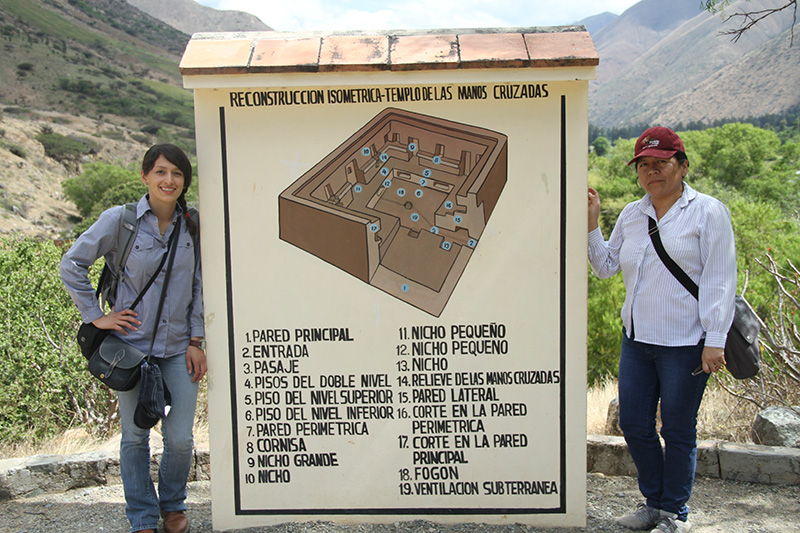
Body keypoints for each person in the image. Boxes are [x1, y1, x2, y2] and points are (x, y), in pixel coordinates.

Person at [587, 127, 736, 533]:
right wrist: (592, 224)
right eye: (644, 165)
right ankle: (654, 503)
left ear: (682, 166)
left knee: (677, 429)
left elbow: (721, 281)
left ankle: (674, 513)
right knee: (634, 424)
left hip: (686, 344)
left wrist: (716, 340)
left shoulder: (708, 212)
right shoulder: (634, 215)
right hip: (637, 341)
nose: (652, 172)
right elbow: (605, 267)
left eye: (661, 163)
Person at [60, 144, 206, 533]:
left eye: (176, 174)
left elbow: (199, 285)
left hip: (178, 350)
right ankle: (142, 516)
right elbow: (71, 263)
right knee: (135, 435)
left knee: (179, 438)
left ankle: (173, 506)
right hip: (132, 349)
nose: (168, 180)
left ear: (184, 181)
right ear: (145, 177)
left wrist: (197, 340)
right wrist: (97, 317)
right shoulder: (119, 221)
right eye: (160, 172)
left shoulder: (192, 225)